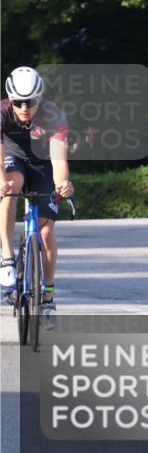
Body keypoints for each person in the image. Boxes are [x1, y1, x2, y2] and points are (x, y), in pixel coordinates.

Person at [0, 67, 74, 327]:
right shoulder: (2, 112)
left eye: (30, 102)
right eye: (18, 101)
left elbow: (58, 160)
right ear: (10, 98)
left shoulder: (53, 116)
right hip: (13, 160)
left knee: (44, 233)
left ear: (39, 98)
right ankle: (7, 258)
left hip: (43, 165)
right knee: (10, 186)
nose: (23, 107)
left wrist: (63, 183)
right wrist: (1, 179)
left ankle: (48, 295)